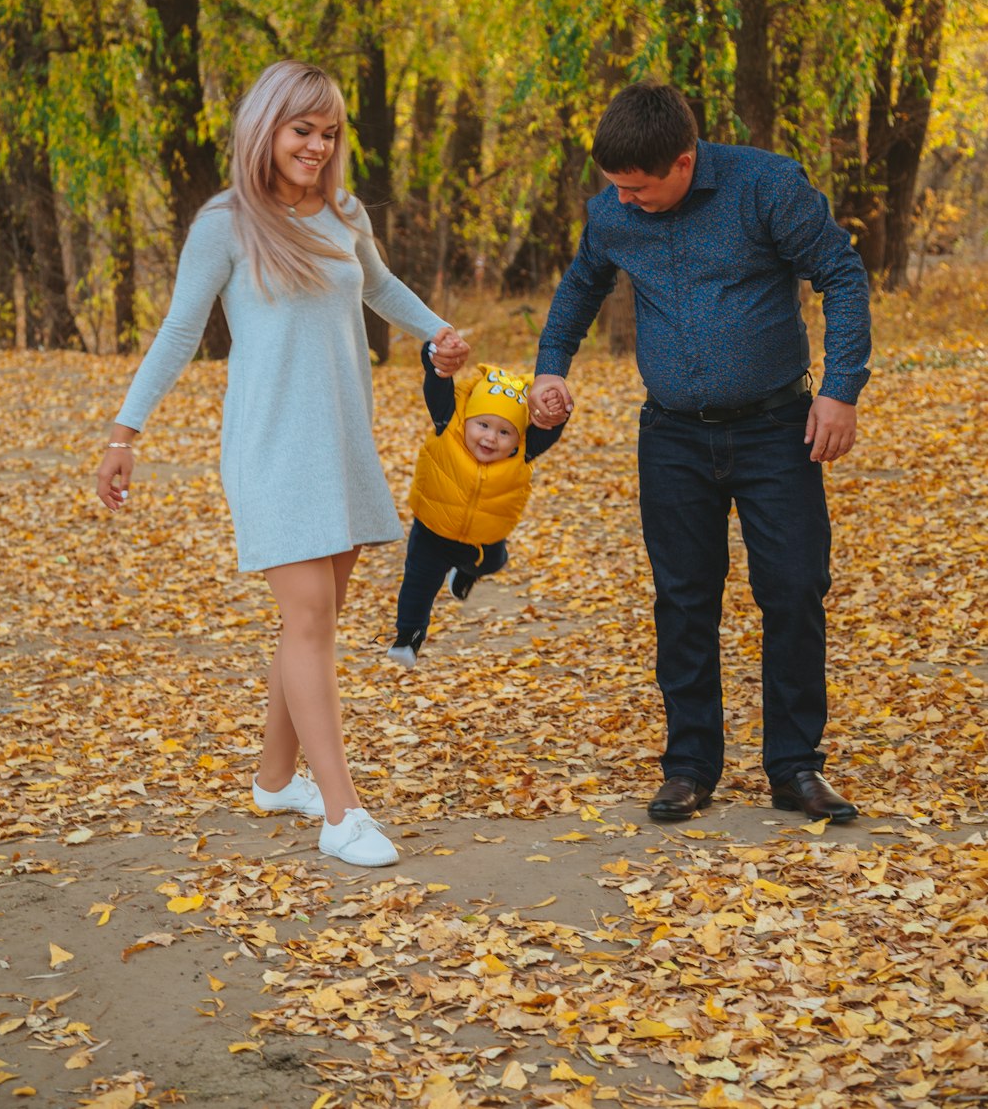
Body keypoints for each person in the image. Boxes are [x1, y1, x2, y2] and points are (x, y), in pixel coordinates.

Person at [96, 60, 469, 867]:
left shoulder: (343, 212)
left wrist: (438, 332)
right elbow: (176, 333)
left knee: (314, 623)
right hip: (270, 447)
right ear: (266, 127)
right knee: (308, 620)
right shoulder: (224, 225)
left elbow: (380, 285)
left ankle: (274, 780)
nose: (317, 145)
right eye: (303, 129)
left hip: (341, 441)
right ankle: (342, 813)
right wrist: (125, 433)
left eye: (329, 132)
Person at [528, 82, 871, 825]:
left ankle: (795, 767)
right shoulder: (612, 212)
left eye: (638, 188)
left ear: (684, 162)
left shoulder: (768, 187)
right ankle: (689, 766)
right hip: (674, 436)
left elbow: (841, 274)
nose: (623, 202)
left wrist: (840, 388)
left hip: (779, 428)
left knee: (791, 591)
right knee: (683, 601)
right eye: (616, 188)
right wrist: (552, 364)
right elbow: (581, 284)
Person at [387, 350, 567, 669]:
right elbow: (437, 384)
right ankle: (408, 637)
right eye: (482, 424)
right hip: (433, 529)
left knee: (493, 564)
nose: (490, 438)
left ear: (517, 439)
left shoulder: (523, 451)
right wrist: (435, 354)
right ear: (467, 419)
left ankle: (466, 573)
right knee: (419, 582)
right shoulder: (447, 425)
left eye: (504, 432)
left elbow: (549, 429)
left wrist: (554, 408)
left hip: (484, 540)